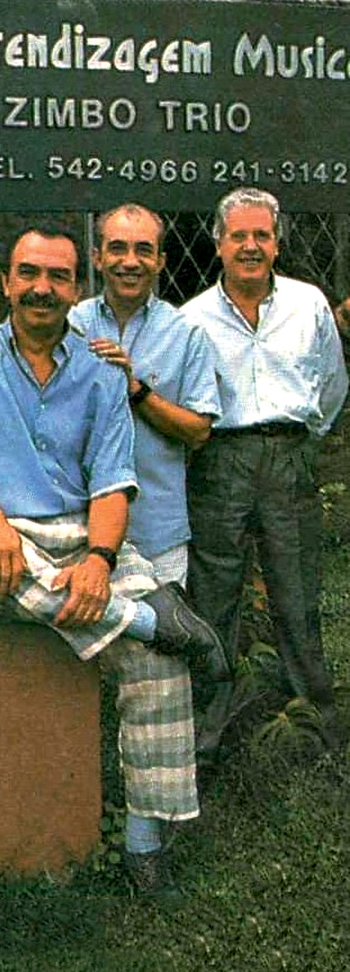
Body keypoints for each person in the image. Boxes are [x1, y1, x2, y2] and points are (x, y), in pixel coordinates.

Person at [0, 222, 228, 893]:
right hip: (2, 540)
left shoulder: (100, 372)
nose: (41, 288)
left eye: (58, 276)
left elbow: (114, 485)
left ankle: (145, 844)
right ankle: (147, 618)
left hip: (77, 537)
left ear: (75, 289)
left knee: (159, 672)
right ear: (6, 281)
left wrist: (98, 560)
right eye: (29, 272)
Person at [181, 187, 349, 750]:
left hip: (290, 457)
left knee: (296, 593)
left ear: (278, 243)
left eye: (262, 235)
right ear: (218, 244)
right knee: (215, 593)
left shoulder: (309, 305)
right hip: (220, 461)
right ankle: (212, 730)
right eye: (238, 236)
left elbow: (331, 383)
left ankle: (315, 724)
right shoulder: (192, 319)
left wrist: (301, 441)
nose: (250, 246)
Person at [68, 203, 221, 588]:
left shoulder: (187, 334)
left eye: (144, 250)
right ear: (98, 258)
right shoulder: (69, 325)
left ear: (162, 261)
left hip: (158, 529)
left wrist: (136, 391)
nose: (130, 262)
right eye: (118, 249)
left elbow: (198, 431)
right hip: (77, 527)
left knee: (164, 639)